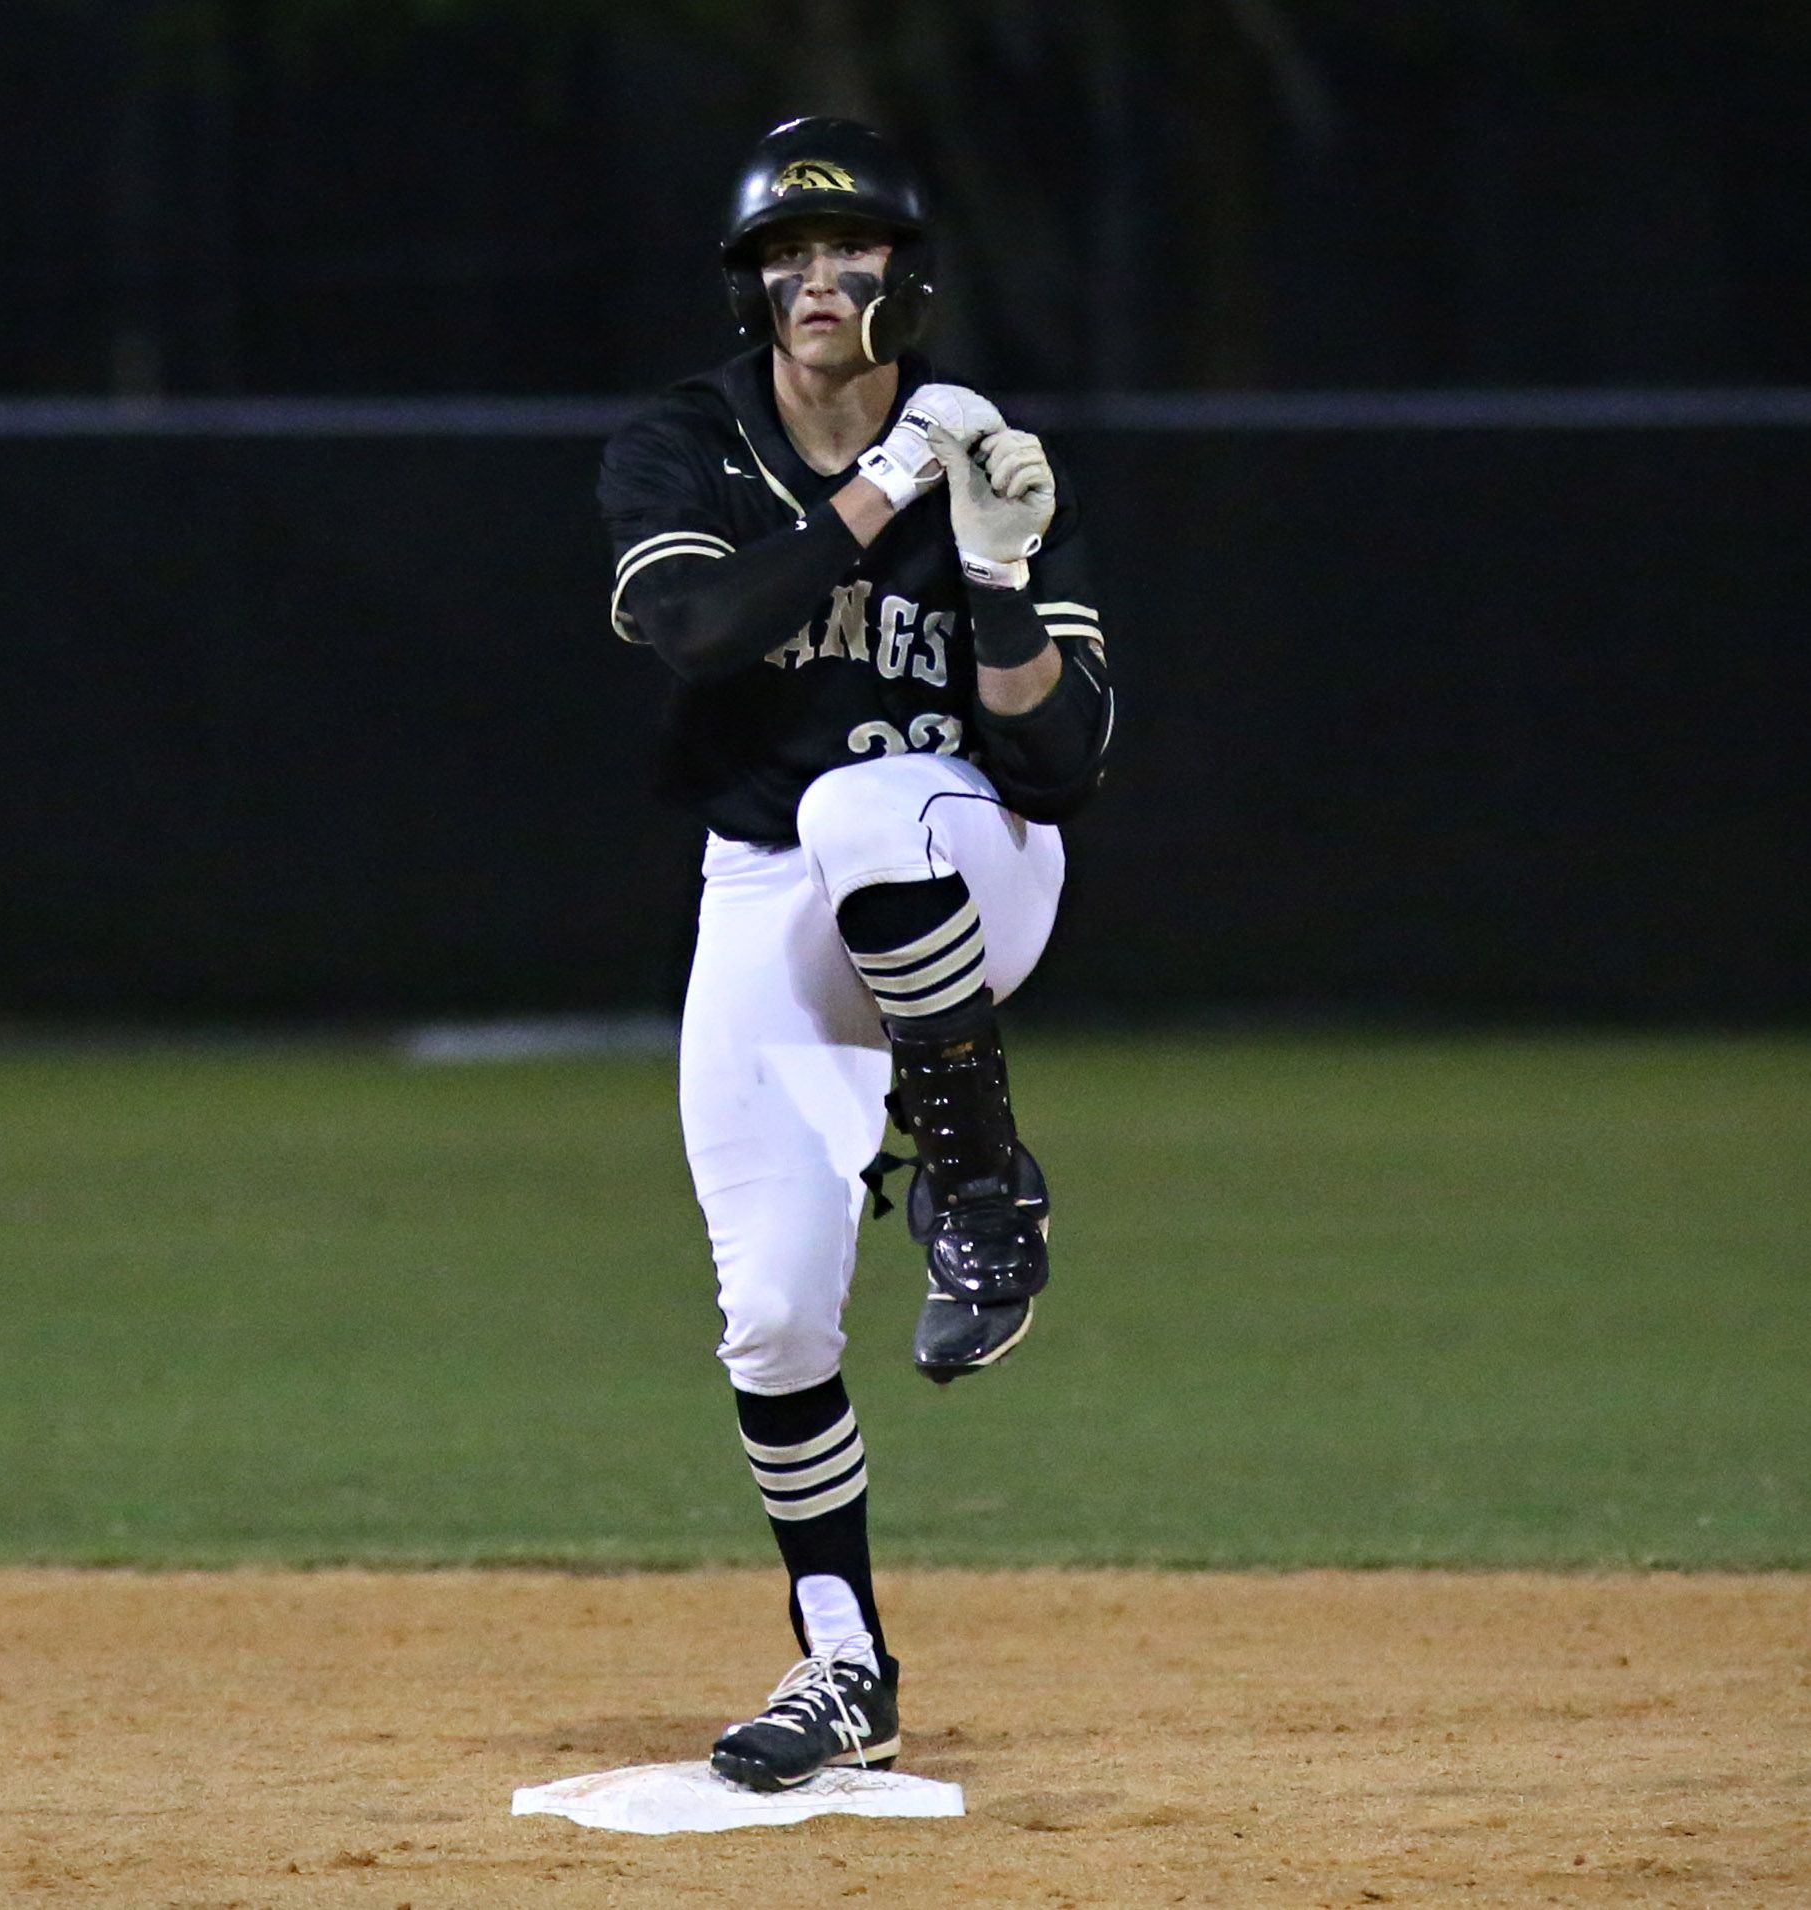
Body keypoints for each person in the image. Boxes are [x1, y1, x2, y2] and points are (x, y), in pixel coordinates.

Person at [596, 116, 1117, 1793]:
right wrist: (892, 483)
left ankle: (977, 1169)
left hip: (972, 856)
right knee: (772, 1318)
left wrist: (1005, 577)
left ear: (908, 273)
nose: (820, 276)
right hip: (766, 892)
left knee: (868, 803)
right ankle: (845, 1658)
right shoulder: (687, 439)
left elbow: (1064, 765)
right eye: (786, 255)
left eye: (854, 248)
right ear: (752, 287)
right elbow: (693, 627)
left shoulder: (992, 461)